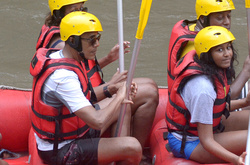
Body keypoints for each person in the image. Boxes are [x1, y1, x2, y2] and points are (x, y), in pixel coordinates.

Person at [36, 0, 159, 161]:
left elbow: (84, 90)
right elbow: (98, 121)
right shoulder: (62, 75)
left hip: (74, 128)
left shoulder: (68, 55)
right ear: (73, 41)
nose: (97, 44)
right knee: (132, 145)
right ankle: (125, 153)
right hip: (62, 149)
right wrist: (119, 94)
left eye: (97, 38)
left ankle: (119, 155)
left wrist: (112, 88)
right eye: (92, 40)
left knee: (124, 104)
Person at [166, 26, 249, 164]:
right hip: (191, 142)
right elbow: (207, 141)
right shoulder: (203, 89)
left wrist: (245, 102)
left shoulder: (211, 70)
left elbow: (214, 108)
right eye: (219, 50)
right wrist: (235, 159)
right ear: (207, 55)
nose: (227, 54)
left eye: (228, 48)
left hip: (206, 129)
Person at [167, 0, 250, 99]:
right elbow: (224, 100)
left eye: (229, 16)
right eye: (220, 18)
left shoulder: (197, 30)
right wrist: (246, 71)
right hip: (207, 108)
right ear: (202, 18)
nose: (227, 22)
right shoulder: (200, 51)